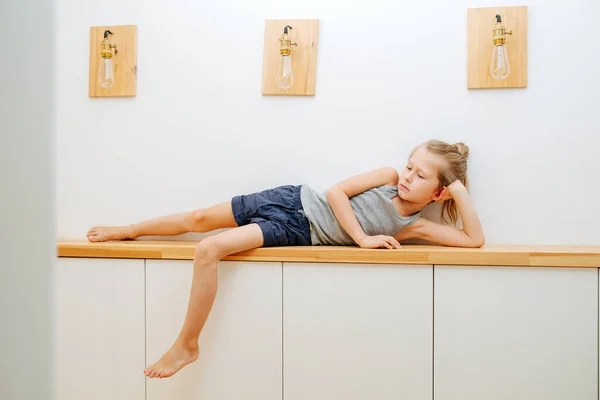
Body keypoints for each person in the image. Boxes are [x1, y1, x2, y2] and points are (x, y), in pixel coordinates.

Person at [86, 139, 485, 378]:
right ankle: (129, 229)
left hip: (298, 231)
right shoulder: (384, 175)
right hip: (293, 199)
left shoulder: (413, 227)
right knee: (200, 219)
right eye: (410, 166)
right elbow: (334, 193)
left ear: (438, 193)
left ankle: (186, 345)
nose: (407, 176)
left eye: (420, 176)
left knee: (209, 247)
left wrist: (458, 191)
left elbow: (474, 240)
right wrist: (362, 238)